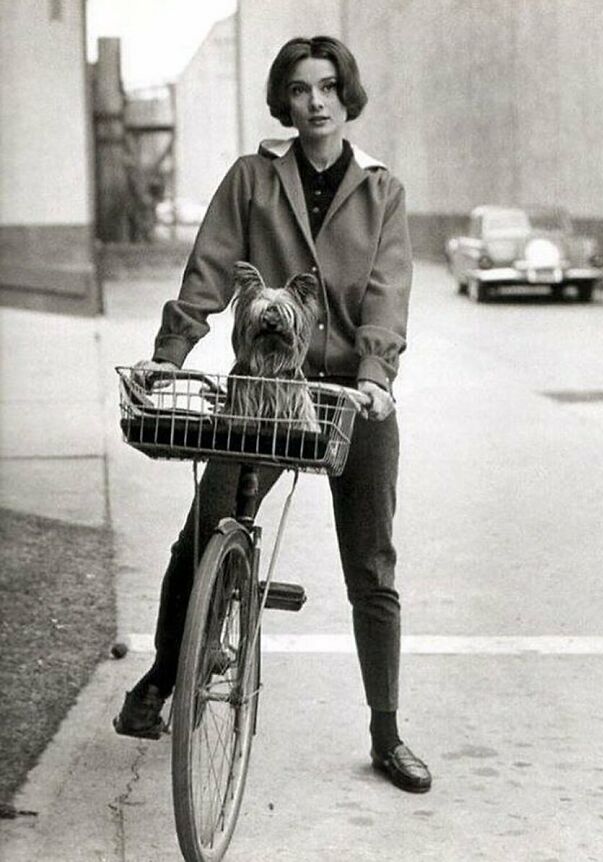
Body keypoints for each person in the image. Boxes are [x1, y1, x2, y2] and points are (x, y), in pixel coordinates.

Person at [113, 35, 431, 793]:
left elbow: (388, 290)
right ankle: (163, 676)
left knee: (372, 566)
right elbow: (212, 269)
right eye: (299, 89)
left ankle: (387, 733)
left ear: (346, 98)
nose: (315, 102)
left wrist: (377, 374)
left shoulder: (382, 189)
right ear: (283, 101)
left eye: (327, 87)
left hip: (350, 398)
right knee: (203, 532)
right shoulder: (253, 178)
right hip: (261, 388)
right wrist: (174, 349)